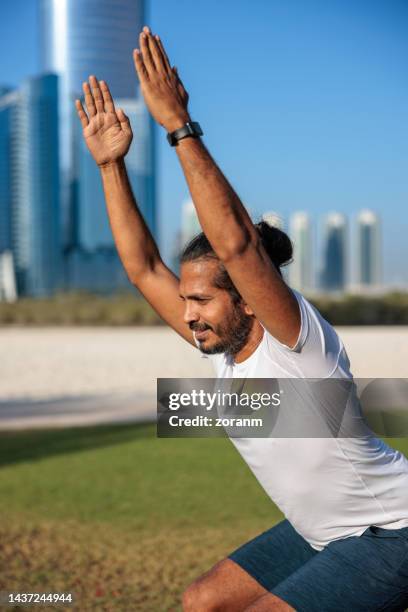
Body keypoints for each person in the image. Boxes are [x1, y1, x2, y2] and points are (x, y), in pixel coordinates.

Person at [75, 26, 408, 612]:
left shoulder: (297, 342)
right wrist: (110, 167)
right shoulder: (224, 346)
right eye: (186, 301)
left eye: (202, 300)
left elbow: (238, 248)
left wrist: (178, 127)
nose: (188, 315)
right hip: (324, 533)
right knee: (202, 601)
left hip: (393, 532)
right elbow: (143, 267)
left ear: (250, 297)